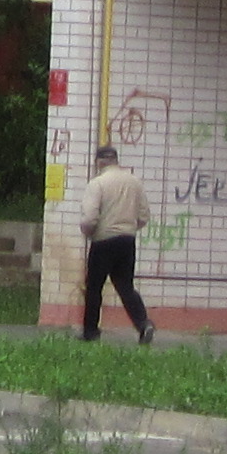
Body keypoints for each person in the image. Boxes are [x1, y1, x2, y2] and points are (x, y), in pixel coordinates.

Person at [78, 141, 153, 345]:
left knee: (94, 287)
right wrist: (128, 228)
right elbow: (144, 215)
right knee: (125, 286)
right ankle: (143, 323)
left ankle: (91, 332)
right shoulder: (134, 182)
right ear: (116, 160)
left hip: (103, 242)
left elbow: (90, 218)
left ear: (99, 162)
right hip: (127, 241)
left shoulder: (98, 183)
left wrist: (88, 232)